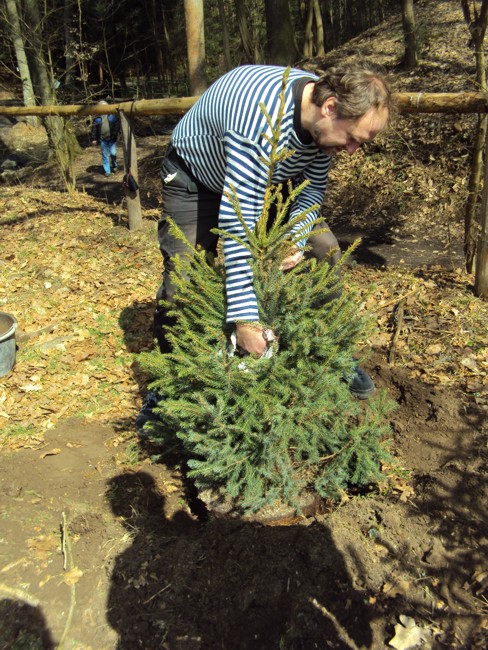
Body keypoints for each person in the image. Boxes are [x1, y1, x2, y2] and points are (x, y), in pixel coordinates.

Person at [153, 62, 392, 400]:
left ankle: (330, 354)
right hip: (196, 175)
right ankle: (169, 385)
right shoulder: (260, 118)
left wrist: (295, 238)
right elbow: (240, 222)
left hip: (269, 175)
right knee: (184, 279)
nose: (352, 151)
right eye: (352, 139)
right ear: (330, 107)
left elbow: (311, 187)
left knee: (322, 248)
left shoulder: (323, 129)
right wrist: (245, 319)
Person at [90, 100, 120, 177]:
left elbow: (117, 124)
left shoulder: (112, 116)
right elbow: (94, 129)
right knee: (105, 155)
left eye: (105, 106)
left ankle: (114, 165)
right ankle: (107, 171)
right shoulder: (97, 119)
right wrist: (94, 138)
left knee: (113, 153)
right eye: (101, 107)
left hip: (112, 139)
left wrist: (115, 133)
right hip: (103, 140)